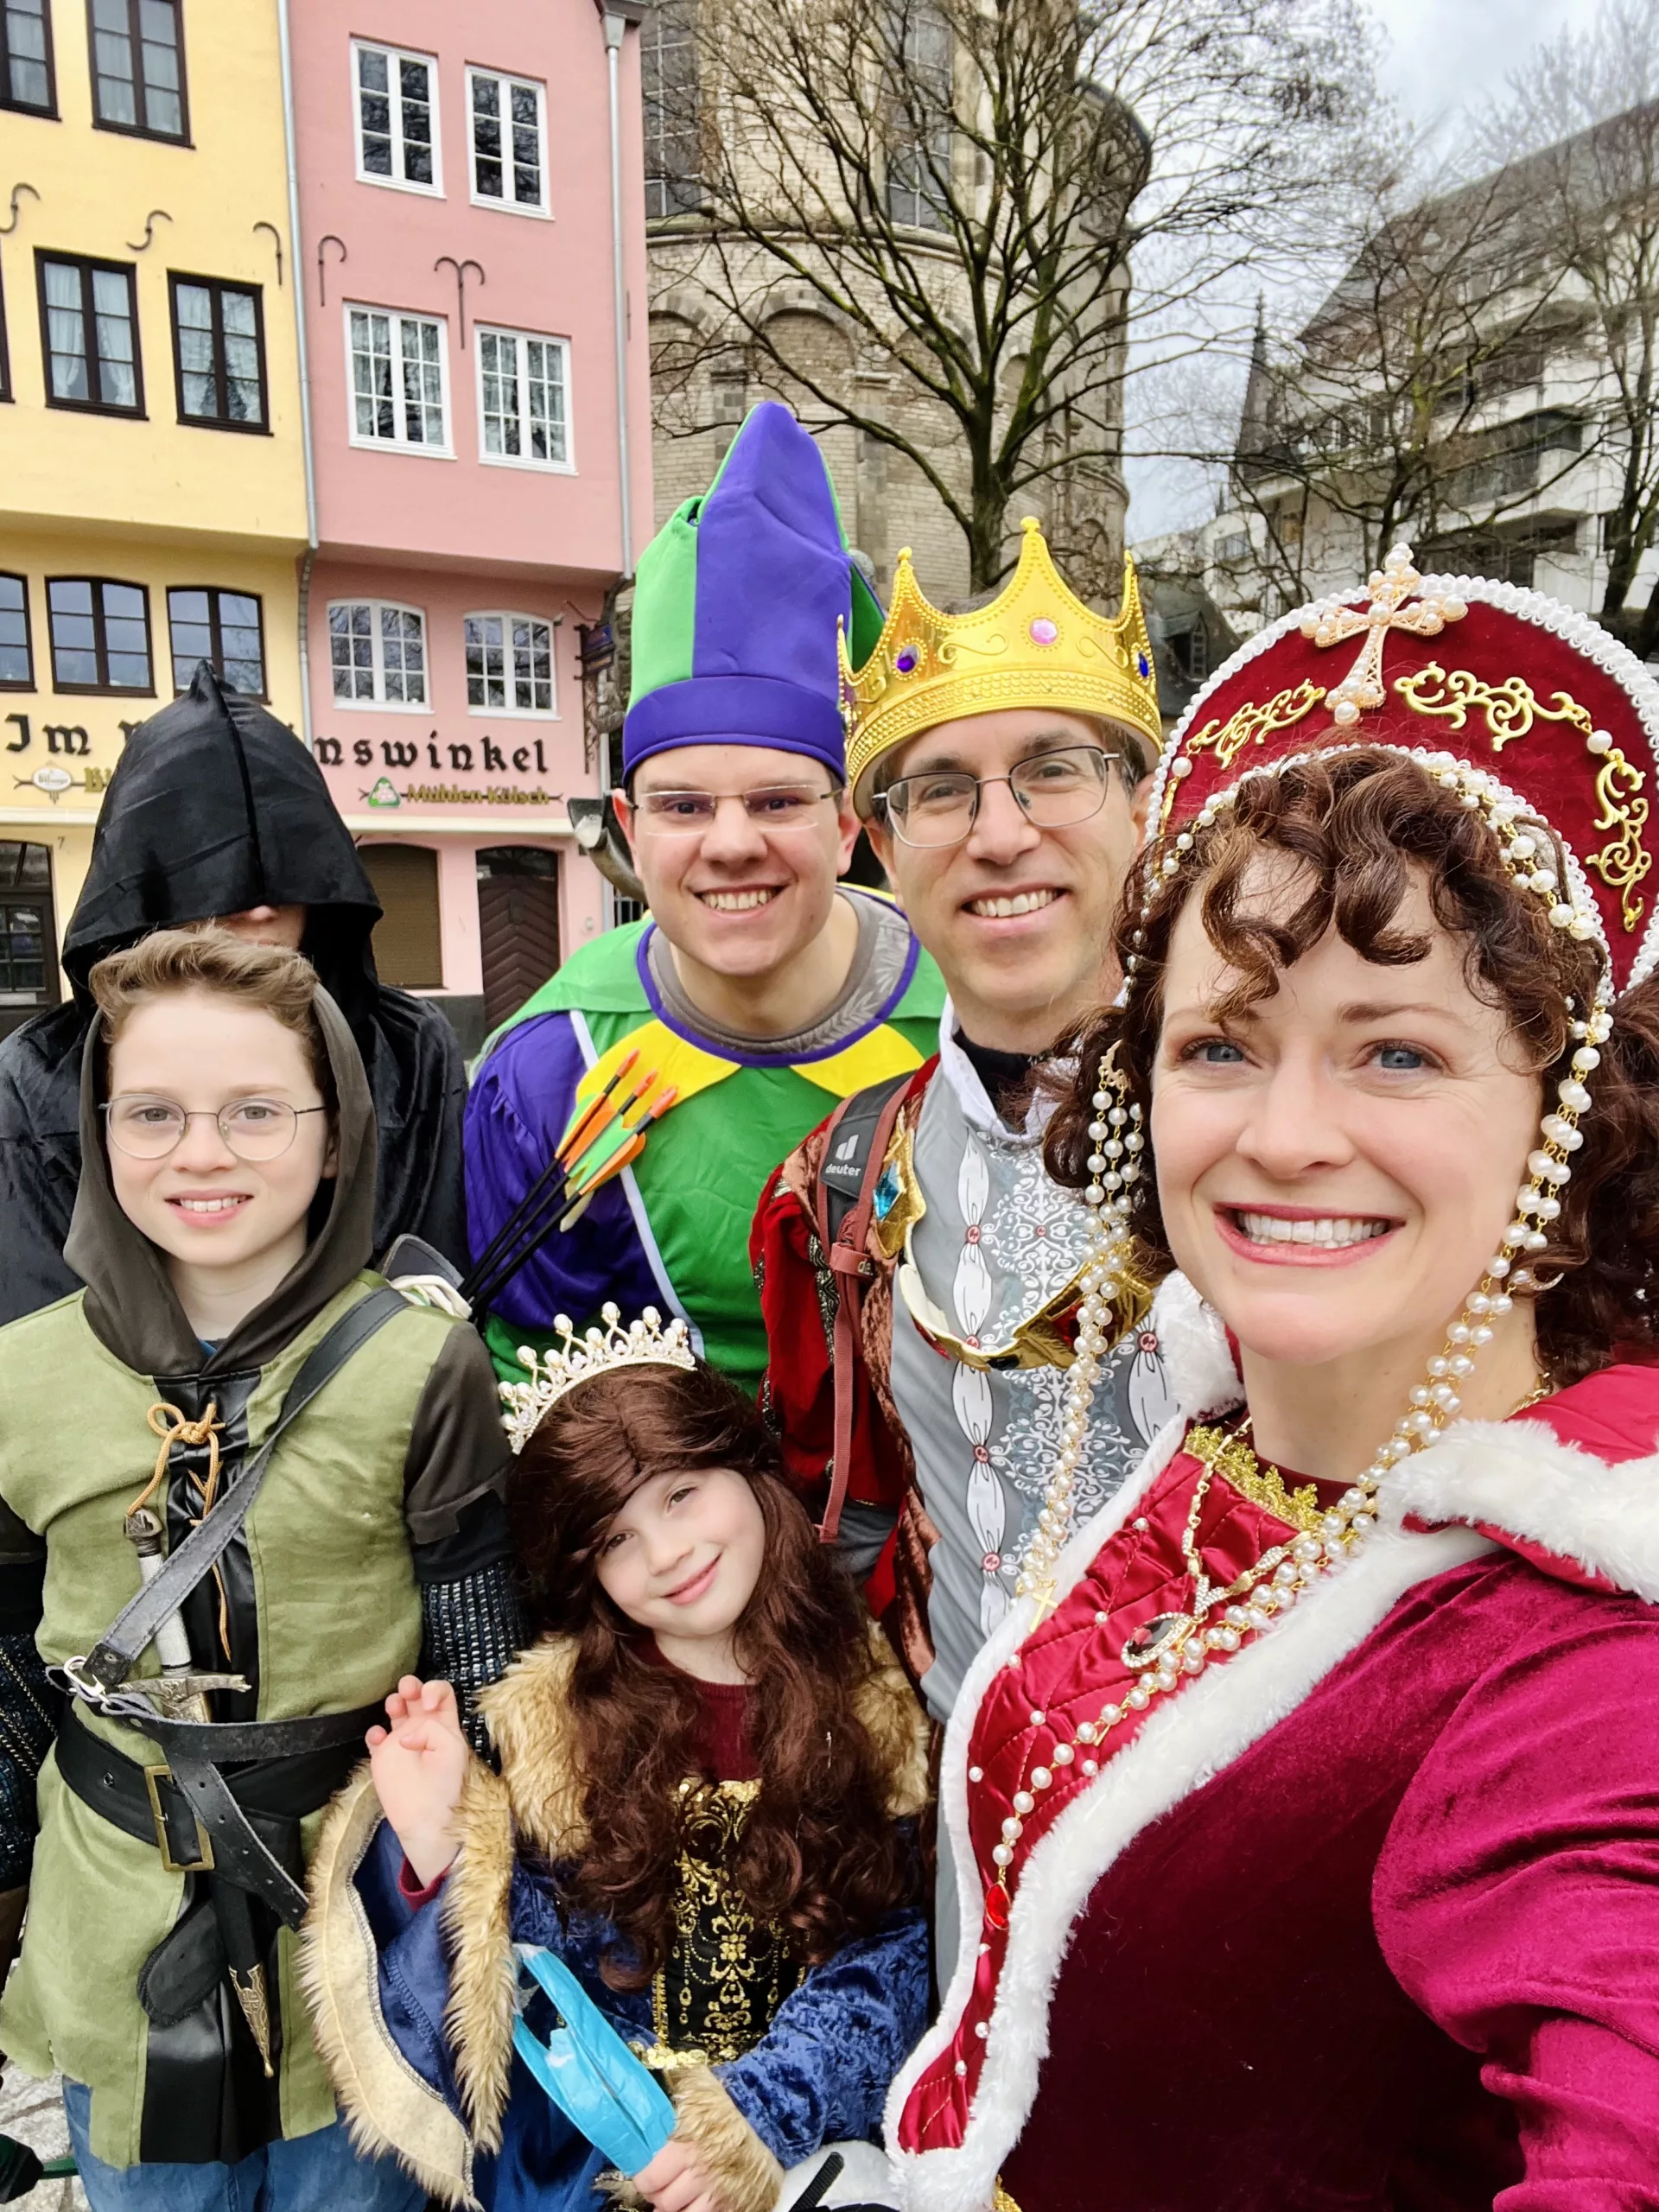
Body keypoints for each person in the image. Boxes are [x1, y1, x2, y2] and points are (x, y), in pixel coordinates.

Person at [887, 548, 1659, 2210]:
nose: (1284, 1137)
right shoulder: (1232, 1432)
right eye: (1220, 1043)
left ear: (1566, 1115)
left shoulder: (1590, 1654)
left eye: (1398, 1050)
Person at [0, 928, 518, 2205]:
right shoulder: (21, 1374)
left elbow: (484, 1660)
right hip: (112, 1912)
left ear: (335, 1132)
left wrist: (475, 1866)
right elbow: (10, 1659)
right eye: (154, 1113)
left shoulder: (420, 1364)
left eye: (255, 1111)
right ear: (100, 1129)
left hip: (355, 1919)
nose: (202, 1152)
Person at [302, 1317, 931, 2212]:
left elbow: (902, 1947)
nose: (666, 1554)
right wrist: (450, 1843)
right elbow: (553, 1974)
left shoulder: (875, 1683)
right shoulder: (563, 1725)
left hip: (830, 2141)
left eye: (681, 1494)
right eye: (616, 1539)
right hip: (625, 2162)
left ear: (745, 1469)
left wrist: (759, 2112)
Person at [753, 519, 1173, 1722]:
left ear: (1143, 805)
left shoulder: (1298, 1145)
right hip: (965, 1836)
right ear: (881, 845)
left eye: (1055, 769)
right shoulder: (838, 1181)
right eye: (939, 789)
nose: (1000, 834)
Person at [464, 402, 943, 1393]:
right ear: (632, 831)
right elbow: (539, 1387)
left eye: (777, 800)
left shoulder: (970, 1020)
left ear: (848, 826)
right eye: (684, 805)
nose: (731, 844)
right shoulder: (550, 1071)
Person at [0, 662, 467, 1328]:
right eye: (208, 878)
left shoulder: (407, 1049)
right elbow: (37, 1325)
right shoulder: (37, 1074)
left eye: (287, 873)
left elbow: (430, 1274)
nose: (253, 913)